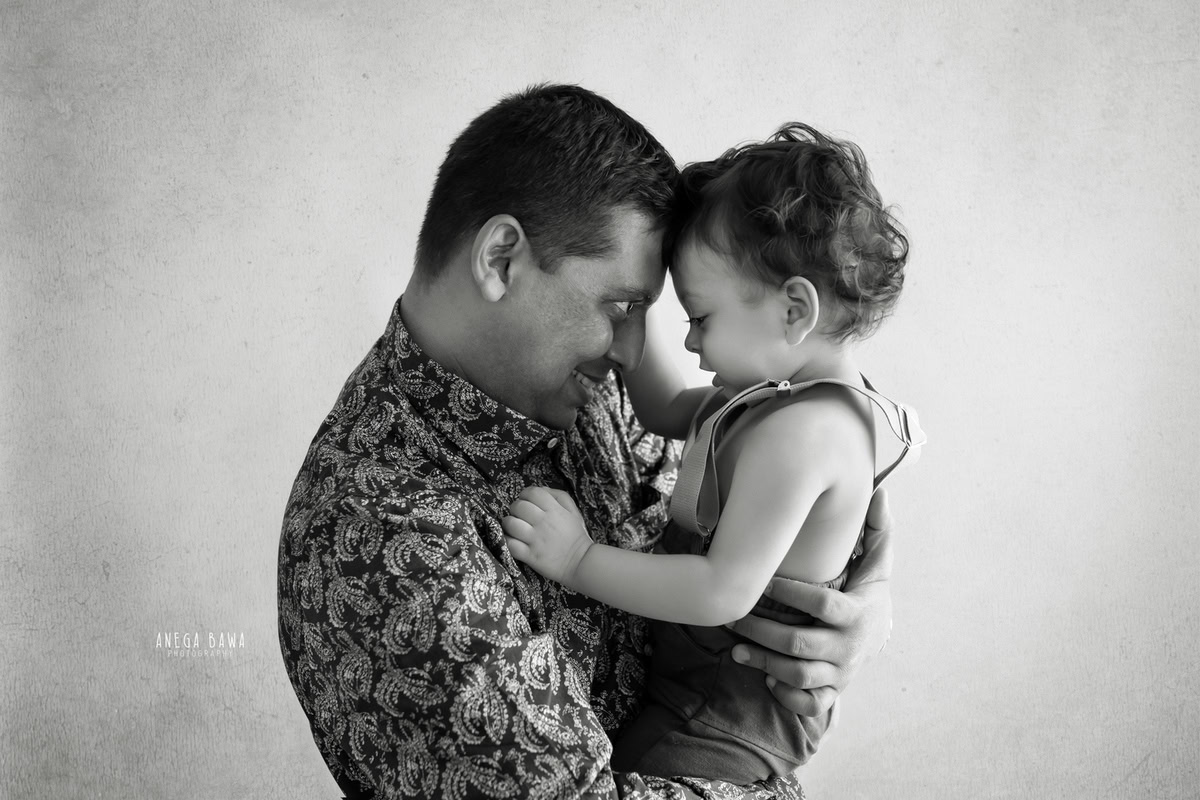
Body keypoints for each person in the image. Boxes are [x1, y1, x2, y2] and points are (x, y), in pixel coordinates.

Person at [277, 85, 896, 799]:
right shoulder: (381, 535)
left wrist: (861, 599)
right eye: (622, 307)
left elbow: (803, 442)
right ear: (502, 259)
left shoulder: (579, 382)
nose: (638, 354)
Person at [502, 122, 924, 784]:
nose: (693, 342)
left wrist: (579, 560)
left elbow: (722, 589)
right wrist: (625, 316)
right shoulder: (777, 398)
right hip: (699, 688)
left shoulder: (805, 433)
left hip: (723, 714)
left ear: (793, 311)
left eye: (701, 317)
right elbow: (667, 406)